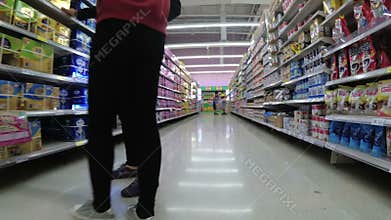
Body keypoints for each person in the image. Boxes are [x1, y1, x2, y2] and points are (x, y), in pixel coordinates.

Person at [66, 1, 181, 219]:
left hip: (113, 27)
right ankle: (145, 208)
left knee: (101, 121)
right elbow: (175, 6)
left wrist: (83, 12)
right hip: (152, 35)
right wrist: (153, 14)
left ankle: (100, 206)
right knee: (145, 123)